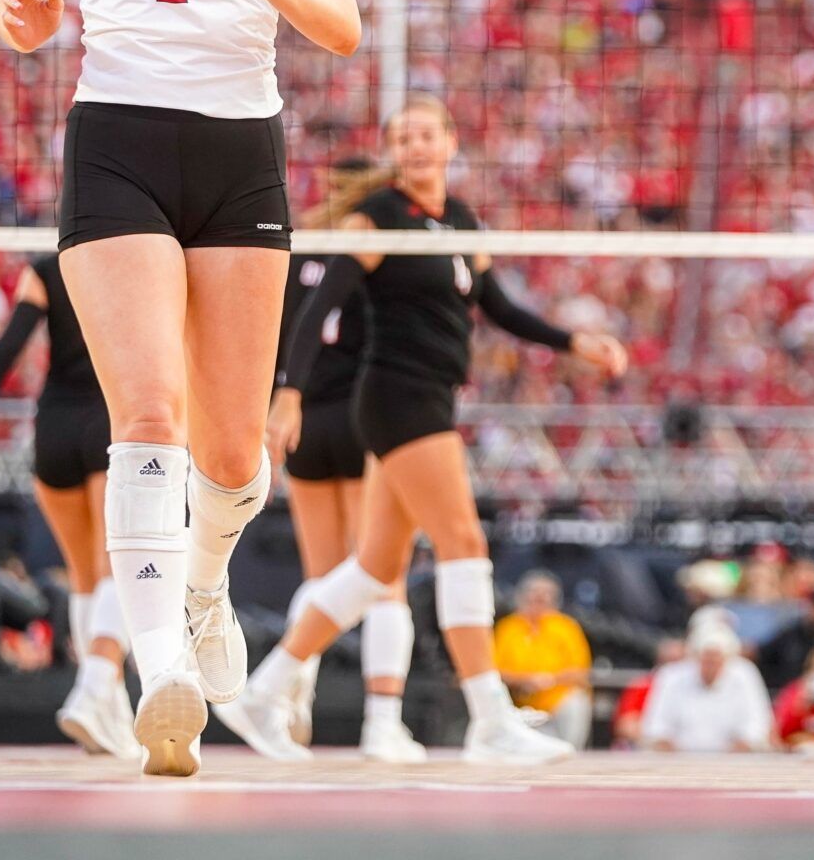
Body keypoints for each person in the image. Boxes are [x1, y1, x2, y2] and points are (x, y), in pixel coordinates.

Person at [0, 0, 360, 777]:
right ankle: (160, 667)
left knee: (237, 452)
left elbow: (341, 25)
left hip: (239, 148)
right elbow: (24, 15)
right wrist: (25, 12)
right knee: (146, 408)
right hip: (118, 140)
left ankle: (203, 591)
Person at [220, 94, 627, 764]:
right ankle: (490, 718)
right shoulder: (377, 218)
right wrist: (287, 396)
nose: (413, 146)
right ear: (392, 151)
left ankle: (264, 691)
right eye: (402, 137)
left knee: (375, 567)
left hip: (433, 397)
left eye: (424, 135)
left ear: (450, 143)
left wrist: (573, 339)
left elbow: (498, 306)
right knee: (463, 541)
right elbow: (318, 308)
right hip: (397, 399)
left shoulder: (462, 220)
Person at [0, 254, 139, 761]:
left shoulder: (51, 266)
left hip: (53, 427)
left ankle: (107, 708)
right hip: (111, 416)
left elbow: (9, 345)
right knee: (115, 568)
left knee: (84, 574)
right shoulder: (142, 257)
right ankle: (95, 688)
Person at [264, 158, 423, 760]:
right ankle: (382, 722)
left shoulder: (296, 250)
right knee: (382, 578)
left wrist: (280, 404)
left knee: (323, 578)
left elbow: (283, 338)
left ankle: (288, 701)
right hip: (360, 419)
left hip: (306, 420)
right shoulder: (374, 245)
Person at [493, 570, 594, 749]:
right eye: (534, 593)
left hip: (557, 698)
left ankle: (571, 753)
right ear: (522, 596)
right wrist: (526, 680)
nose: (539, 598)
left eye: (546, 594)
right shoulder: (508, 628)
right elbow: (494, 670)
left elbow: (580, 672)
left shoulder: (566, 627)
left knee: (575, 702)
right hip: (519, 700)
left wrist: (549, 680)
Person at [639, 620, 774, 753]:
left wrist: (742, 745)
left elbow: (757, 725)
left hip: (733, 763)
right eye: (706, 659)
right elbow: (655, 726)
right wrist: (666, 743)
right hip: (679, 762)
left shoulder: (745, 674)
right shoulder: (671, 675)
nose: (711, 665)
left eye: (716, 659)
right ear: (695, 656)